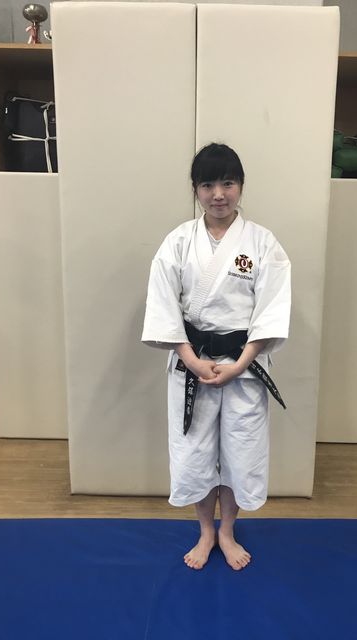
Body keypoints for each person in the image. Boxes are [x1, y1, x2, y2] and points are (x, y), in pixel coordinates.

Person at [142, 142, 291, 570]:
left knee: (241, 451)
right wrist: (191, 359)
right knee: (195, 452)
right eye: (207, 184)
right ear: (195, 189)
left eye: (228, 183)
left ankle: (227, 530)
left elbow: (272, 309)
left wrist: (241, 363)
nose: (218, 194)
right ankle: (206, 530)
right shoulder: (178, 242)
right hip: (193, 363)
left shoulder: (263, 243)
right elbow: (164, 306)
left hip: (244, 365)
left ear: (241, 185)